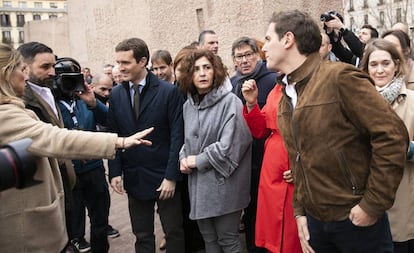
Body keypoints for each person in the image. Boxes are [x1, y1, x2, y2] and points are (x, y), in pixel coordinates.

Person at [252, 9, 408, 253]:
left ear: (288, 39)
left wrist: (372, 205)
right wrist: (300, 212)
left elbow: (392, 137)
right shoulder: (285, 95)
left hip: (356, 221)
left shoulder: (340, 78)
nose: (264, 48)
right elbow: (298, 159)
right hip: (316, 223)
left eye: (268, 39)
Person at [0, 42, 153, 253]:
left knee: (99, 221)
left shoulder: (66, 97)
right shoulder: (11, 111)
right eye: (23, 70)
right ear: (7, 73)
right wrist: (119, 141)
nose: (52, 73)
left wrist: (92, 102)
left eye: (55, 67)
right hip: (30, 224)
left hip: (81, 176)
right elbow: (55, 138)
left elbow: (107, 120)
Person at [108, 37, 185, 253]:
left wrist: (171, 176)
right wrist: (115, 171)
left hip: (164, 177)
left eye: (125, 63)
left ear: (142, 62)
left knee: (174, 233)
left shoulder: (168, 92)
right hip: (134, 176)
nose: (120, 68)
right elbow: (114, 135)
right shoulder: (116, 94)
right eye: (118, 62)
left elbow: (177, 136)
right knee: (142, 236)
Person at [178, 49, 252, 253]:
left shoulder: (231, 102)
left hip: (225, 185)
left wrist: (197, 161)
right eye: (196, 69)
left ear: (215, 71)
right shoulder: (188, 106)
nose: (202, 73)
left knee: (228, 240)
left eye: (207, 68)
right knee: (209, 240)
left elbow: (231, 144)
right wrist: (183, 157)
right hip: (199, 186)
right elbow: (187, 141)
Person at [17, 41, 76, 252]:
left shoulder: (50, 90)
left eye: (54, 66)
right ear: (24, 68)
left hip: (64, 180)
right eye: (45, 67)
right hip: (43, 186)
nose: (53, 73)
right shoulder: (19, 102)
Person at [53, 57, 116, 253]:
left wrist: (93, 103)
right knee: (74, 219)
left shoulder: (85, 100)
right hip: (70, 172)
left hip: (94, 169)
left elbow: (109, 121)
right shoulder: (51, 104)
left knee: (100, 217)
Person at [360, 38, 414, 253]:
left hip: (402, 199)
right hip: (364, 200)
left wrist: (402, 149)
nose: (380, 70)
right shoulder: (356, 102)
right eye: (374, 65)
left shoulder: (411, 101)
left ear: (397, 65)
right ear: (366, 68)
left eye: (386, 63)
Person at [230, 36, 276, 253]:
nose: (245, 60)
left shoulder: (272, 80)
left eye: (249, 54)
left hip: (263, 157)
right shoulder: (231, 84)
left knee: (263, 208)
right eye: (239, 56)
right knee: (247, 210)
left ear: (258, 56)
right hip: (239, 158)